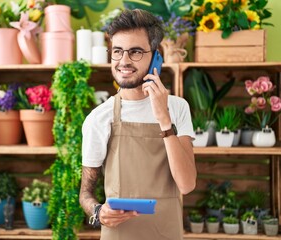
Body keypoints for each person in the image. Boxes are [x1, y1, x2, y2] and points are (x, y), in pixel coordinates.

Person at [79, 9, 197, 240]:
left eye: (135, 52)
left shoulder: (178, 108)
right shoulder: (99, 118)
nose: (124, 61)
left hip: (167, 234)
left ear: (155, 57)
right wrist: (97, 212)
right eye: (117, 51)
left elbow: (186, 184)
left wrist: (163, 118)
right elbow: (85, 193)